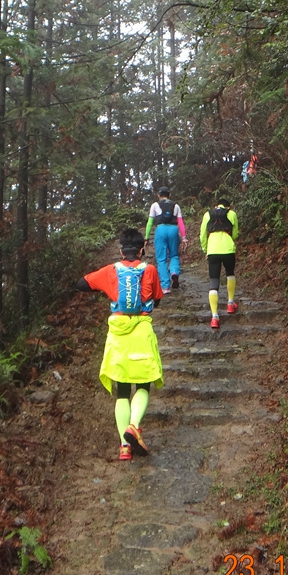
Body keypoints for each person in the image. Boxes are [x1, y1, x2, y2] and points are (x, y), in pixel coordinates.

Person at [73, 228, 164, 461]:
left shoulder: (110, 271)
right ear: (142, 249)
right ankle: (133, 426)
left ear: (121, 250)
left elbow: (81, 284)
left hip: (118, 333)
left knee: (122, 390)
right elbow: (158, 298)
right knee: (143, 385)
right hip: (141, 330)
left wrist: (104, 289)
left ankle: (124, 447)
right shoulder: (150, 270)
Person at [199, 197, 239, 330]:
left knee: (214, 281)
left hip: (213, 250)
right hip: (228, 249)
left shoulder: (207, 214)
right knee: (230, 273)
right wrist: (229, 239)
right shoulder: (231, 214)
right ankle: (230, 303)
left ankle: (215, 317)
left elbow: (203, 235)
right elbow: (235, 234)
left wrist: (205, 249)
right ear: (228, 207)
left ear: (216, 206)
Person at [144, 186, 188, 292]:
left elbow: (150, 222)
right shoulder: (176, 206)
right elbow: (180, 222)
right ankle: (174, 272)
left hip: (161, 230)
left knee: (161, 259)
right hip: (173, 229)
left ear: (158, 195)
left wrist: (146, 237)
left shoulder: (155, 205)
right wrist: (184, 237)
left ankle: (165, 287)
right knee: (174, 255)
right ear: (170, 195)